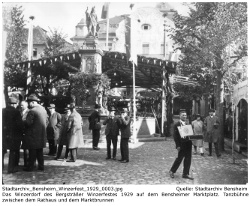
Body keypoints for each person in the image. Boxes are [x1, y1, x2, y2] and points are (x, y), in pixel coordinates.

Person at [23, 94, 48, 172]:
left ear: (33, 102)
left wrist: (23, 121)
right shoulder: (43, 109)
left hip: (33, 136)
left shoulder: (32, 111)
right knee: (39, 152)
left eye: (29, 102)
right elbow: (47, 121)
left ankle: (30, 167)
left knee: (32, 152)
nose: (28, 104)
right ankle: (41, 166)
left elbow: (28, 123)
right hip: (41, 135)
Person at [169, 110, 194, 180]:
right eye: (183, 115)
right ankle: (172, 171)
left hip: (188, 144)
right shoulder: (176, 125)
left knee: (188, 159)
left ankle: (185, 173)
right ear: (180, 116)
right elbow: (175, 136)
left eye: (185, 115)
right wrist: (178, 145)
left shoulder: (188, 124)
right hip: (181, 144)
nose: (184, 116)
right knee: (179, 158)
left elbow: (190, 134)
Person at [2, 97, 23, 173]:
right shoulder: (16, 112)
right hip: (14, 136)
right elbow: (20, 125)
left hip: (3, 135)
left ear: (8, 103)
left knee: (2, 151)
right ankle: (11, 168)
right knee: (13, 152)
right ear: (15, 104)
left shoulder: (2, 111)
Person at [20, 100, 30, 167]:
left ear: (26, 105)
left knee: (27, 149)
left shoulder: (29, 112)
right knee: (23, 148)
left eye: (22, 105)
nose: (21, 106)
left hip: (27, 132)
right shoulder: (19, 112)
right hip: (20, 132)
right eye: (20, 105)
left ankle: (27, 163)